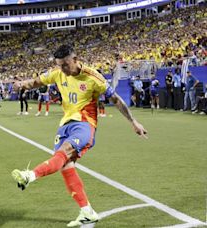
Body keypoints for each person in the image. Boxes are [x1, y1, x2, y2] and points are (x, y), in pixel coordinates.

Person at [11, 45, 147, 227]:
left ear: (75, 60)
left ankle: (30, 175)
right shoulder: (58, 73)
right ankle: (87, 211)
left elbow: (115, 99)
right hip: (65, 125)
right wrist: (22, 84)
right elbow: (36, 82)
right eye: (60, 65)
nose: (63, 70)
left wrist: (133, 122)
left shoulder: (93, 77)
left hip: (84, 124)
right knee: (65, 165)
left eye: (65, 65)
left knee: (64, 153)